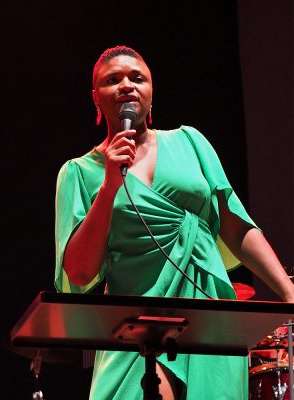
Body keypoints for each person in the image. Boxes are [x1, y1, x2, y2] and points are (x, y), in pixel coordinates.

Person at [54, 45, 294, 400]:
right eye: (112, 80)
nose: (126, 86)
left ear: (151, 95)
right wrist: (108, 188)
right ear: (96, 98)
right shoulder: (79, 172)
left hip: (210, 316)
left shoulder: (190, 143)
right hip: (137, 327)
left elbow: (236, 226)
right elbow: (79, 272)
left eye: (137, 78)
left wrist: (289, 294)